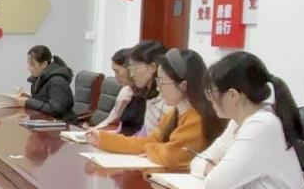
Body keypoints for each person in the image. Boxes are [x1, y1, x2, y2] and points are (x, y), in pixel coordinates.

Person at [191, 52, 304, 189]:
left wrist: (213, 169)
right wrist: (211, 169)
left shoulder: (262, 126)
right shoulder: (238, 122)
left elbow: (216, 187)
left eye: (212, 93)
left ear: (233, 95)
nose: (210, 100)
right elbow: (197, 162)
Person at [88, 48, 223, 169]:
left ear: (183, 85)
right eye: (157, 81)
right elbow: (149, 141)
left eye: (162, 82)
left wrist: (150, 149)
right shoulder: (174, 113)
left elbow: (172, 156)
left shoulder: (197, 117)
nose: (158, 88)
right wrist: (103, 139)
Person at [87, 48, 145, 135]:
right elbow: (116, 124)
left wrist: (98, 132)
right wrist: (94, 130)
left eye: (117, 71)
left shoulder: (129, 94)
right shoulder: (127, 89)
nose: (116, 76)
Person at [16, 45, 74, 119]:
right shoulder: (38, 79)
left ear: (44, 64)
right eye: (28, 64)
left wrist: (28, 102)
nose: (28, 68)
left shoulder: (58, 81)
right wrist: (28, 98)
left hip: (62, 123)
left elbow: (56, 111)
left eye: (32, 65)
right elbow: (44, 101)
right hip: (44, 121)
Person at [125, 40, 168, 136]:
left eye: (135, 68)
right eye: (130, 69)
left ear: (152, 67)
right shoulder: (146, 96)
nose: (132, 75)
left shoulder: (165, 101)